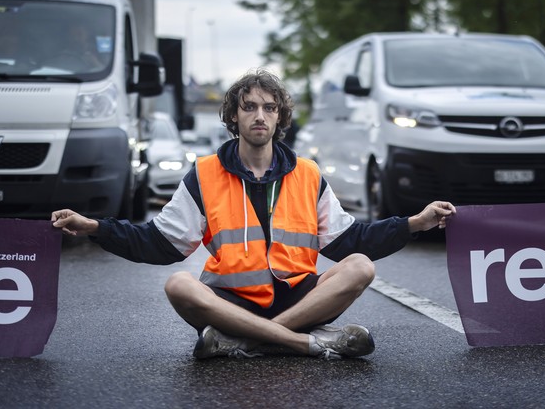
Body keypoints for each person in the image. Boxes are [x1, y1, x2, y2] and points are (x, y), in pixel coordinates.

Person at [51, 68, 456, 360]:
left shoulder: (307, 174)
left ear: (280, 117)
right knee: (178, 284)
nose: (259, 115)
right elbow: (160, 244)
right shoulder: (204, 174)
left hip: (299, 298)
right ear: (234, 116)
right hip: (231, 304)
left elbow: (350, 241)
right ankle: (304, 343)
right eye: (249, 107)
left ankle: (248, 344)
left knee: (360, 266)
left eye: (268, 107)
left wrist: (414, 223)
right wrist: (95, 228)